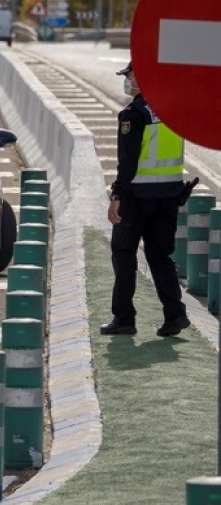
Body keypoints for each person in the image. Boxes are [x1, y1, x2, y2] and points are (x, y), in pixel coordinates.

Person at [101, 61, 191, 337]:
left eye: (129, 75)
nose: (127, 80)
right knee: (160, 256)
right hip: (169, 196)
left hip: (137, 197)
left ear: (143, 78)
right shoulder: (174, 109)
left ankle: (124, 318)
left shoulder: (133, 114)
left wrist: (116, 195)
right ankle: (175, 314)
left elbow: (127, 163)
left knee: (124, 254)